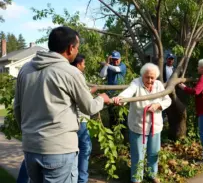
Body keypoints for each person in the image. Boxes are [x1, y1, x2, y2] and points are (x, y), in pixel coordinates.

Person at [14, 26, 110, 183]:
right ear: (70, 48)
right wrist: (102, 98)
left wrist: (29, 134)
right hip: (59, 150)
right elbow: (89, 107)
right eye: (77, 48)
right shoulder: (70, 72)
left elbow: (17, 107)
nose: (77, 51)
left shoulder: (25, 69)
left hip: (30, 147)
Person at [112, 63, 171, 183]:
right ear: (142, 76)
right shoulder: (136, 83)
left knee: (154, 152)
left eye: (152, 78)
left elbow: (167, 99)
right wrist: (120, 98)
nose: (150, 80)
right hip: (138, 125)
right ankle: (136, 178)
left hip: (155, 126)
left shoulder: (159, 85)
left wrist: (158, 105)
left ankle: (152, 174)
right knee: (138, 154)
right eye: (147, 77)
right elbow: (128, 92)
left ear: (156, 77)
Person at [71, 54, 97, 183]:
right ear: (78, 64)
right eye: (84, 63)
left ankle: (76, 178)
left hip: (75, 120)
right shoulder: (77, 76)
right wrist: (98, 97)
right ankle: (81, 179)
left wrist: (89, 91)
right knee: (85, 149)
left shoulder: (70, 75)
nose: (85, 66)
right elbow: (84, 101)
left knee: (76, 150)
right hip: (81, 119)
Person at [99, 51, 127, 126]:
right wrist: (107, 64)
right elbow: (102, 75)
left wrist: (107, 64)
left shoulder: (122, 65)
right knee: (111, 113)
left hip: (120, 93)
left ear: (120, 59)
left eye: (117, 59)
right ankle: (112, 129)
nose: (115, 61)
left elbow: (117, 70)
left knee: (121, 114)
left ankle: (123, 133)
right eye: (114, 59)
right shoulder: (109, 65)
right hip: (110, 93)